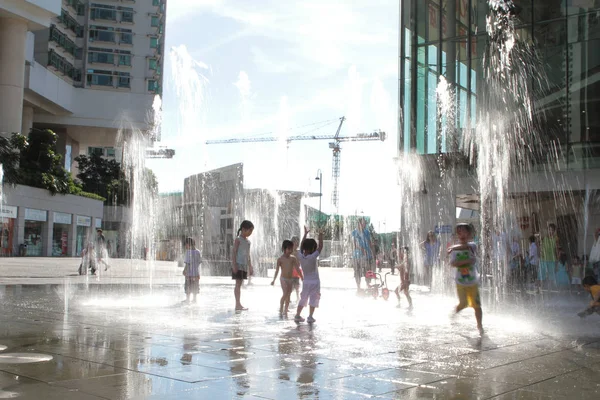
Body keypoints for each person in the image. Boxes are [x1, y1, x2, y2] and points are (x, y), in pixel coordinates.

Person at [449, 223, 483, 335]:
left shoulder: (473, 245)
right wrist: (466, 261)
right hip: (460, 282)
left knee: (477, 306)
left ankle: (479, 326)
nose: (461, 234)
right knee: (462, 304)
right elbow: (453, 263)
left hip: (472, 282)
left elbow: (466, 248)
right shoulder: (454, 250)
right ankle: (453, 314)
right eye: (459, 232)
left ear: (469, 234)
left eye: (463, 231)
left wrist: (453, 249)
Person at [294, 226, 324, 323]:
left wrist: (305, 234)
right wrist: (320, 235)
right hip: (315, 282)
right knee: (313, 299)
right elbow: (320, 247)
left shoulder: (300, 256)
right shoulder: (313, 257)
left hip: (306, 282)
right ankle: (310, 316)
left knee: (303, 298)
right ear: (312, 248)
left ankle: (297, 315)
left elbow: (301, 247)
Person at [271, 240, 302, 315]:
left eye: (291, 249)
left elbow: (297, 268)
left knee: (288, 294)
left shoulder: (293, 258)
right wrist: (274, 280)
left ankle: (286, 309)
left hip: (290, 279)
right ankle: (281, 307)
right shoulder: (280, 259)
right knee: (285, 293)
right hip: (283, 279)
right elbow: (277, 271)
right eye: (288, 249)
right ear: (284, 249)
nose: (290, 251)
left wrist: (302, 277)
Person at [232, 220, 254, 311]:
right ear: (244, 229)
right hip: (238, 264)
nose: (251, 233)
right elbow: (234, 252)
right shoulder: (238, 240)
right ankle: (237, 304)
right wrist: (234, 265)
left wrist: (250, 266)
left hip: (244, 265)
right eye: (250, 231)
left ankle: (239, 304)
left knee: (240, 284)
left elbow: (248, 255)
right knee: (238, 284)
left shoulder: (248, 242)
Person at [351, 218, 375, 290]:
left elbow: (369, 242)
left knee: (367, 270)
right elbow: (354, 243)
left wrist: (372, 252)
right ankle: (358, 286)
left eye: (365, 223)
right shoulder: (354, 232)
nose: (364, 225)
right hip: (357, 255)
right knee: (357, 271)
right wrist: (361, 248)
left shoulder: (366, 232)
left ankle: (368, 284)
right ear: (359, 223)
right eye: (363, 223)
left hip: (367, 255)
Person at [539, 223, 559, 290]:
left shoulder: (555, 239)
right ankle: (542, 290)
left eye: (552, 230)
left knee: (551, 277)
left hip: (552, 260)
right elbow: (541, 248)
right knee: (542, 276)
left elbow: (557, 250)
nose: (550, 231)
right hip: (543, 259)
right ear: (547, 230)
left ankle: (549, 290)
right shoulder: (544, 238)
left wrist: (557, 262)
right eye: (549, 230)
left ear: (554, 231)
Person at [182, 237, 201, 304]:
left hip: (189, 274)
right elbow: (199, 262)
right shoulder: (198, 252)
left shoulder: (188, 252)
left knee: (188, 286)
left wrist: (184, 270)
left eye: (186, 244)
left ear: (188, 244)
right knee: (195, 286)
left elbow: (187, 263)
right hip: (196, 274)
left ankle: (187, 299)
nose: (185, 246)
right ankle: (194, 299)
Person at [290, 236, 303, 303]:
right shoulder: (289, 251)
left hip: (297, 273)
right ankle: (288, 299)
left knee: (297, 288)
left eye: (298, 242)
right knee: (290, 288)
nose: (297, 244)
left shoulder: (299, 252)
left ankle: (298, 299)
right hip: (290, 273)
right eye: (295, 242)